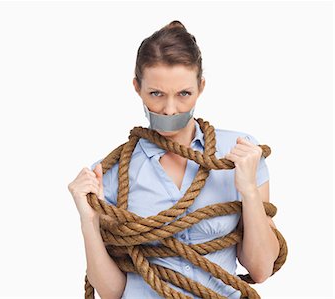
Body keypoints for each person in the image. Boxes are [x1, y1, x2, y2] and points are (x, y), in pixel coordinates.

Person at [67, 20, 280, 299]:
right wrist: (88, 220)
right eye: (156, 94)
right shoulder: (108, 173)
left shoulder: (240, 153)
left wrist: (249, 190)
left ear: (201, 87)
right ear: (137, 88)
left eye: (184, 94)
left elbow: (261, 269)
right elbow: (111, 292)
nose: (169, 110)